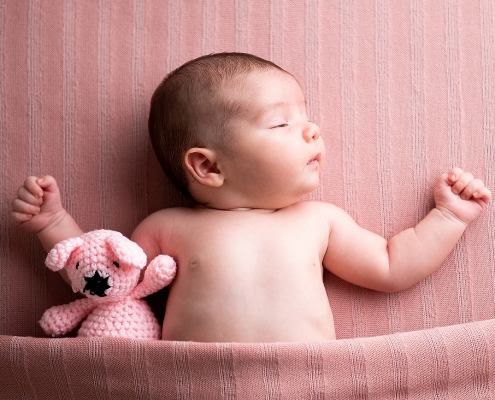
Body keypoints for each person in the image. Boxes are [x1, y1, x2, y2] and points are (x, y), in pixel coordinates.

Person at [10, 53, 492, 342]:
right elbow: (102, 282)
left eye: (306, 117)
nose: (311, 130)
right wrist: (53, 224)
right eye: (282, 123)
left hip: (302, 382)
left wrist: (449, 216)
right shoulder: (171, 226)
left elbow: (391, 265)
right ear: (208, 166)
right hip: (190, 381)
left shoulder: (319, 221)